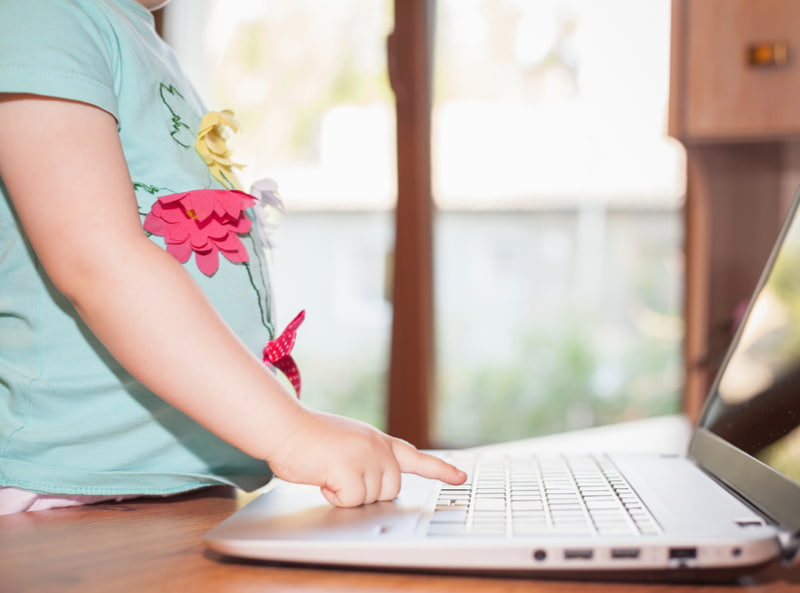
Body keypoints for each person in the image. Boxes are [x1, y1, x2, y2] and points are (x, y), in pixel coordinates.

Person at [0, 0, 465, 514]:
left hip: (168, 486)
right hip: (60, 493)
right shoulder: (42, 12)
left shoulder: (135, 37)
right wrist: (291, 433)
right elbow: (98, 262)